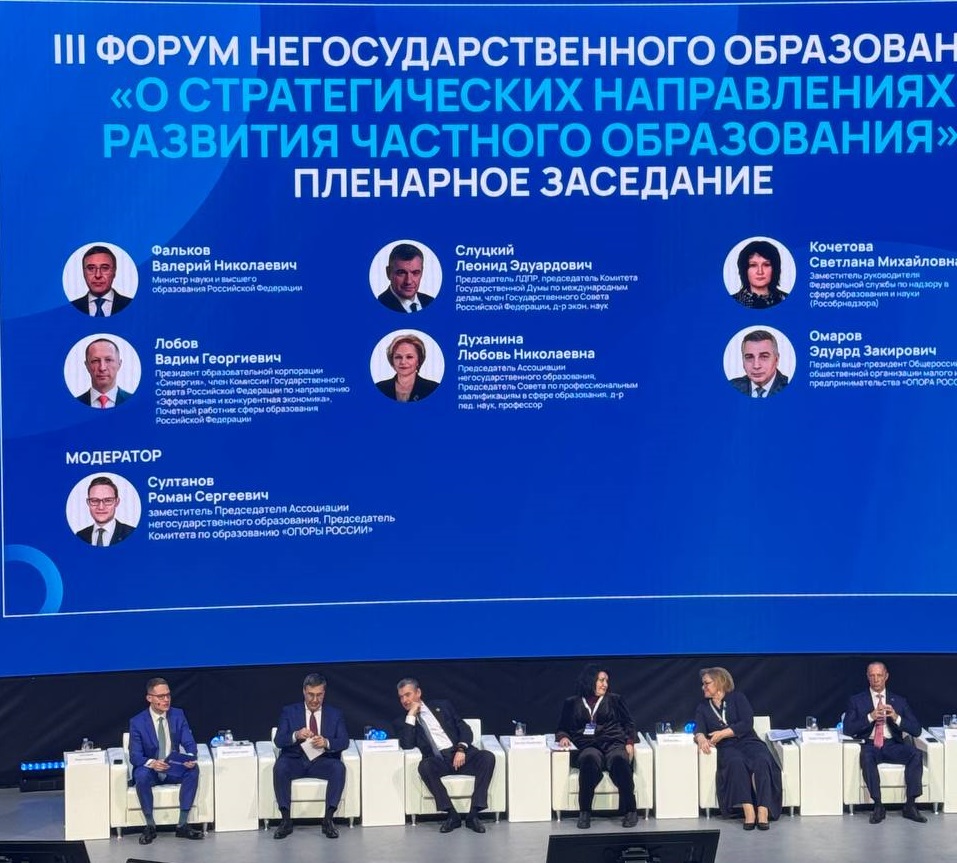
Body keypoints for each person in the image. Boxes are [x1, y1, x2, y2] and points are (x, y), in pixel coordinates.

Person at [394, 677, 494, 834]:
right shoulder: (404, 721)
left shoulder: (443, 706)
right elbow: (407, 744)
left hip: (460, 754)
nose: (405, 700)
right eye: (401, 697)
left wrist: (461, 749)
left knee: (487, 757)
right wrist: (412, 714)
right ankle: (452, 815)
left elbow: (464, 729)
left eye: (408, 695)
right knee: (424, 766)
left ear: (418, 692)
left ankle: (473, 815)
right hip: (439, 760)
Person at [694, 667, 782, 830]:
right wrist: (701, 738)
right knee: (736, 762)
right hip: (727, 746)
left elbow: (747, 723)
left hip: (748, 741)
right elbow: (699, 728)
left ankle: (763, 811)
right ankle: (749, 811)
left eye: (707, 683)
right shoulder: (703, 707)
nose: (703, 687)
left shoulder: (737, 698)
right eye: (703, 684)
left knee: (762, 760)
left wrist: (723, 733)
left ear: (719, 682)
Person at [556, 664, 639, 829]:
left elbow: (629, 724)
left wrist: (629, 742)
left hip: (613, 743)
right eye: (601, 680)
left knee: (620, 761)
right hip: (587, 745)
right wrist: (563, 737)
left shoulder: (615, 700)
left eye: (606, 681)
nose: (605, 684)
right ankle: (585, 812)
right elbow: (562, 728)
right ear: (591, 681)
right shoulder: (572, 703)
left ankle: (630, 810)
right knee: (588, 760)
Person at [843, 661, 927, 824]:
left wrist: (896, 717)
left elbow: (916, 730)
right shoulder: (856, 701)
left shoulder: (899, 701)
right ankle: (878, 806)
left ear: (886, 677)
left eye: (879, 675)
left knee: (915, 755)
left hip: (892, 745)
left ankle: (910, 805)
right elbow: (847, 729)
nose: (876, 679)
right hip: (870, 744)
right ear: (867, 677)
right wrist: (870, 717)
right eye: (872, 676)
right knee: (867, 757)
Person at [271, 672, 348, 840]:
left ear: (324, 693)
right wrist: (296, 735)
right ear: (304, 692)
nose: (314, 700)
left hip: (322, 761)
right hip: (295, 760)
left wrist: (326, 742)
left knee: (339, 768)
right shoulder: (289, 712)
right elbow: (279, 740)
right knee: (280, 767)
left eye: (319, 695)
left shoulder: (335, 714)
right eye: (311, 695)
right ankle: (286, 820)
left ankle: (328, 820)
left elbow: (344, 741)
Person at [128, 677, 203, 844]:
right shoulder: (137, 722)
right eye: (161, 696)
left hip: (172, 767)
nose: (166, 699)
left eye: (168, 695)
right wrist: (153, 763)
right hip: (151, 769)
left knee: (193, 770)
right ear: (149, 698)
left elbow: (189, 742)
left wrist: (190, 757)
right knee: (141, 775)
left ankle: (182, 825)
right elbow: (135, 756)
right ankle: (150, 826)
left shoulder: (178, 715)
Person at [71, 245, 132, 317]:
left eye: (105, 268)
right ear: (84, 272)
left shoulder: (131, 305)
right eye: (91, 268)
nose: (98, 275)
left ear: (114, 271)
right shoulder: (71, 307)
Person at [375, 334, 439, 402]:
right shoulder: (379, 388)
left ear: (418, 360)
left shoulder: (433, 388)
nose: (403, 362)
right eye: (398, 357)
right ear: (392, 361)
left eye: (409, 357)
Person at [75, 476, 135, 546]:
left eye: (108, 500)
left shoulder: (131, 534)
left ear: (117, 502)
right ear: (88, 503)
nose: (101, 507)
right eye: (94, 500)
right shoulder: (80, 536)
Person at [729, 330, 789, 398]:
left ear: (776, 360)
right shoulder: (732, 386)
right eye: (749, 357)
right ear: (743, 360)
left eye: (764, 356)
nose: (756, 366)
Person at [76, 338, 132, 408]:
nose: (102, 368)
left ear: (119, 364)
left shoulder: (135, 403)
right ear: (87, 366)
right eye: (95, 361)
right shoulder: (72, 405)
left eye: (108, 360)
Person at [377, 243, 434, 312]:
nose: (408, 281)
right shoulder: (379, 305)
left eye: (415, 273)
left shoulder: (431, 301)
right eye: (401, 273)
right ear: (388, 273)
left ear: (422, 272)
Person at [731, 240, 788, 309]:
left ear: (775, 268)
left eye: (766, 265)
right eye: (753, 265)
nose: (760, 272)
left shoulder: (786, 299)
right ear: (744, 269)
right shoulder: (731, 301)